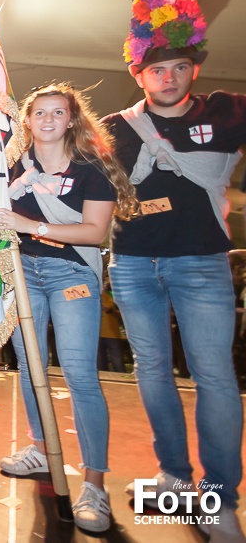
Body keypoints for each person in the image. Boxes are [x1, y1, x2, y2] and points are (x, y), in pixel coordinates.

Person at [0, 83, 137, 534]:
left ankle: (95, 483)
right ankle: (42, 449)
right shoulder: (10, 166)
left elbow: (94, 232)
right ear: (27, 121)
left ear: (71, 119)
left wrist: (31, 225)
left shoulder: (91, 167)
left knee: (80, 374)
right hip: (22, 272)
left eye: (57, 112)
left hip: (72, 275)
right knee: (31, 367)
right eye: (39, 112)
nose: (48, 120)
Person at [104, 50, 246, 537]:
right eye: (157, 70)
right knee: (151, 370)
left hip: (201, 261)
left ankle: (221, 500)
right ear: (138, 75)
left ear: (195, 70)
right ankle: (175, 478)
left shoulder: (225, 111)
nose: (169, 78)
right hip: (132, 263)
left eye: (180, 67)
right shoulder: (113, 127)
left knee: (215, 375)